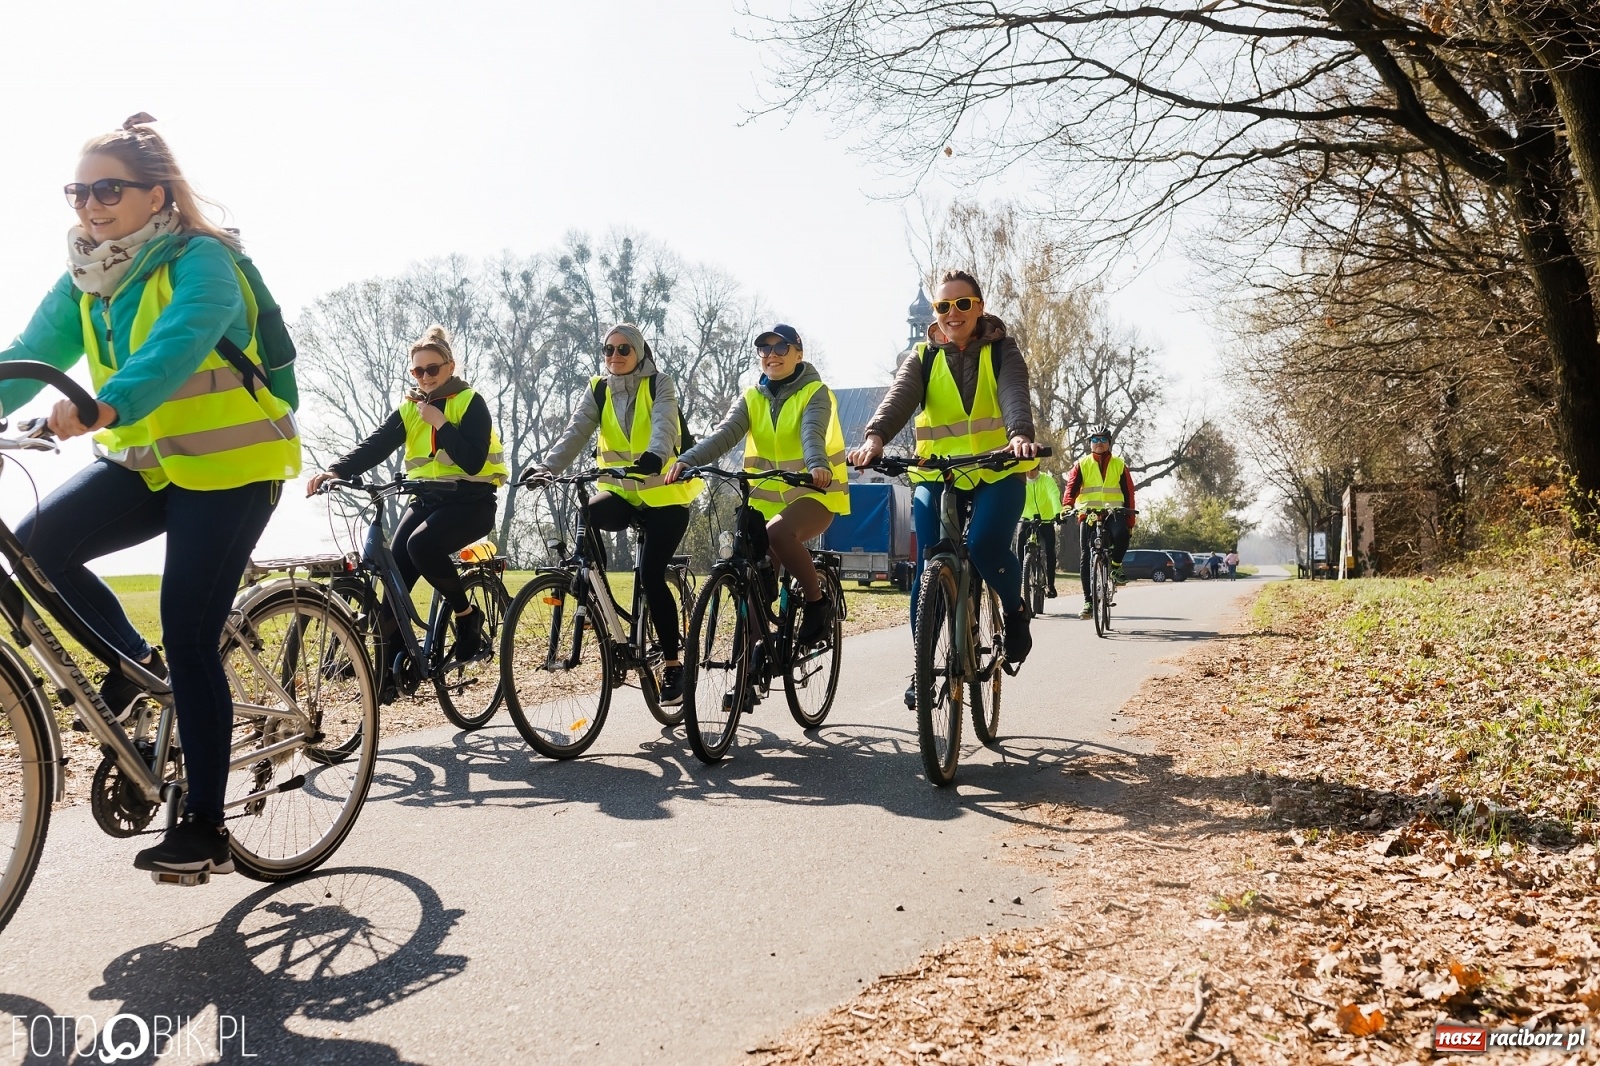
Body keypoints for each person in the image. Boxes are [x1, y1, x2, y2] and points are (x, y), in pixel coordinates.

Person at [0, 114, 301, 876]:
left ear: (156, 195)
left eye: (107, 190)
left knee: (190, 629)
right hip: (152, 464)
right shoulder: (89, 277)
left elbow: (177, 345)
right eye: (77, 192)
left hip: (233, 468)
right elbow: (27, 354)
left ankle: (205, 826)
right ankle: (136, 666)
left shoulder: (206, 262)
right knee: (35, 549)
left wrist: (105, 405)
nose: (89, 206)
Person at [846, 270, 1041, 706]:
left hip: (997, 469)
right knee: (929, 563)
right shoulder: (922, 356)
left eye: (962, 304)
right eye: (943, 306)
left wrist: (1019, 435)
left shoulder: (1002, 350)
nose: (952, 313)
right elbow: (899, 398)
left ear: (979, 307)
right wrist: (874, 439)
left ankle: (1015, 612)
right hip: (938, 473)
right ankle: (923, 667)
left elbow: (1014, 394)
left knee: (985, 544)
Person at [306, 325, 507, 695]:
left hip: (471, 503)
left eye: (432, 369)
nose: (425, 377)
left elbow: (473, 460)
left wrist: (440, 422)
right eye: (418, 371)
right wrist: (337, 470)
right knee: (393, 583)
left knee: (421, 546)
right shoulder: (410, 409)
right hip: (427, 501)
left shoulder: (470, 402)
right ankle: (390, 675)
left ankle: (466, 616)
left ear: (450, 367)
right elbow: (376, 444)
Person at [530, 324, 701, 704]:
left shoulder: (660, 384)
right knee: (586, 514)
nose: (615, 355)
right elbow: (576, 431)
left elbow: (664, 424)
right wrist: (547, 467)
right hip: (622, 494)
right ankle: (595, 594)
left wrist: (655, 456)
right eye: (608, 349)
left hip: (666, 497)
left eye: (624, 348)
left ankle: (673, 665)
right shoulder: (598, 389)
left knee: (651, 575)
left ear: (639, 352)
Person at [670, 324, 848, 646]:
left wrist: (817, 465)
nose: (771, 355)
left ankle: (816, 602)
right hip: (765, 503)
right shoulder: (752, 397)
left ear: (798, 354)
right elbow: (724, 434)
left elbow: (812, 432)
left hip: (815, 495)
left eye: (781, 348)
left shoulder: (815, 392)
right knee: (752, 576)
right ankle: (753, 661)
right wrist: (688, 460)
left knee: (777, 533)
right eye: (765, 349)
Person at [1064, 426, 1136, 619]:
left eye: (1103, 439)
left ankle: (1116, 565)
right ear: (1090, 443)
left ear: (1109, 443)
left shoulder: (1119, 464)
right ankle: (1088, 601)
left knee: (1122, 534)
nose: (1099, 443)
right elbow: (1071, 488)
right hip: (1088, 513)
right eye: (1095, 440)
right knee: (1086, 555)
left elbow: (1129, 493)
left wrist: (1130, 520)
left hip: (1113, 512)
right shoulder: (1082, 464)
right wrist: (1067, 506)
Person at [1019, 467, 1062, 598]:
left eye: (1032, 470)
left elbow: (1053, 495)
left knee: (1049, 550)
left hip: (1046, 519)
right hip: (1027, 518)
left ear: (1038, 468)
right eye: (1027, 470)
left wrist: (1057, 513)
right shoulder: (1020, 480)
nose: (1029, 473)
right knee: (1020, 540)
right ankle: (1021, 576)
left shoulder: (1047, 480)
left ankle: (1051, 585)